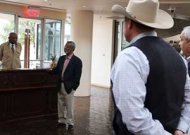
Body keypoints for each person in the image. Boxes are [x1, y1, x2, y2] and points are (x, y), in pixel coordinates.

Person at [111, 0, 190, 135]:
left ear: (129, 24)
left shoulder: (130, 57)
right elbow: (188, 100)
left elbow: (134, 118)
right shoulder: (180, 59)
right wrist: (181, 128)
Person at [53, 41, 82, 129]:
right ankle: (61, 120)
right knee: (60, 104)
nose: (65, 48)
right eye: (65, 47)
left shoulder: (77, 61)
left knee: (69, 105)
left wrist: (74, 87)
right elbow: (57, 70)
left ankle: (70, 122)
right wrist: (50, 71)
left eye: (68, 47)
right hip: (60, 85)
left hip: (69, 87)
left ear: (73, 49)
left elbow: (78, 76)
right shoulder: (61, 58)